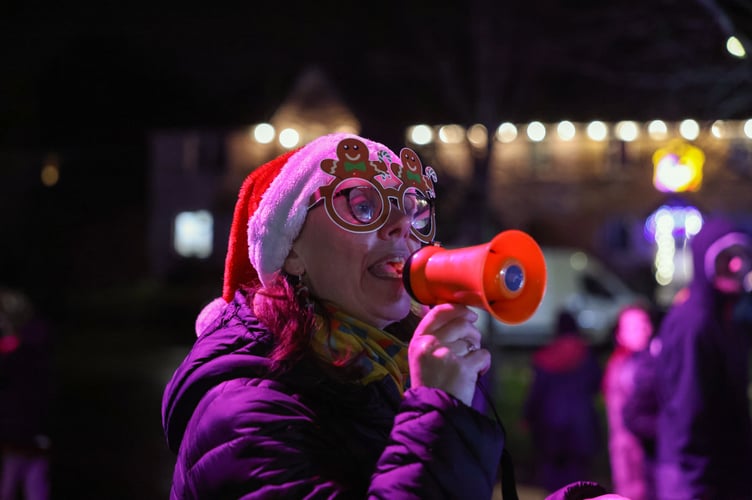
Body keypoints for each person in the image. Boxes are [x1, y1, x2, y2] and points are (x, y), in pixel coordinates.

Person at [161, 132, 618, 499]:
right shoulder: (242, 413)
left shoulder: (381, 370)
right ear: (291, 252)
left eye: (412, 209)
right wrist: (440, 411)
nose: (401, 224)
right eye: (363, 206)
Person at [623, 216, 752, 499]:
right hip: (694, 477)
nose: (735, 265)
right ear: (705, 261)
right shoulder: (694, 323)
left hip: (716, 473)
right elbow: (688, 411)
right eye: (725, 257)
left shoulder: (725, 321)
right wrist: (699, 480)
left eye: (740, 256)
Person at [523, 310, 603, 494]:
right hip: (581, 424)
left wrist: (528, 416)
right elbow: (595, 384)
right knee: (579, 481)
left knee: (553, 479)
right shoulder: (587, 354)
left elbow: (537, 392)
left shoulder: (546, 355)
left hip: (550, 425)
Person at [0, 287, 53, 500]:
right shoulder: (29, 345)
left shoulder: (23, 351)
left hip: (24, 432)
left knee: (16, 486)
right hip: (28, 431)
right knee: (30, 485)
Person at [601, 304, 654, 500]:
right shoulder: (621, 366)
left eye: (643, 324)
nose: (642, 331)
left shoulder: (645, 362)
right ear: (619, 334)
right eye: (633, 327)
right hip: (629, 452)